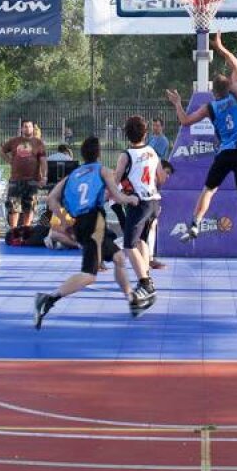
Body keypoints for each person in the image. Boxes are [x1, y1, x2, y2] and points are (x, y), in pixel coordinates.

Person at [166, 32, 237, 253]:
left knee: (208, 190)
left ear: (212, 92)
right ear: (229, 86)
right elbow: (236, 65)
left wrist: (178, 103)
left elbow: (185, 121)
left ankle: (195, 224)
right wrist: (219, 47)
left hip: (224, 154)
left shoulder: (210, 107)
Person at [33, 137, 143, 329]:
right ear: (98, 153)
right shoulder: (102, 171)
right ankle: (48, 298)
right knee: (89, 275)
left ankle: (132, 299)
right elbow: (117, 196)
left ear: (82, 154)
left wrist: (66, 220)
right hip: (95, 223)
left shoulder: (72, 175)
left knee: (118, 258)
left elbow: (51, 199)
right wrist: (132, 199)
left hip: (81, 224)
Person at [113, 116, 168, 303]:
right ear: (146, 133)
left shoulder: (126, 155)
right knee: (142, 241)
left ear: (126, 134)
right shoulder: (152, 151)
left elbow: (115, 181)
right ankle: (146, 278)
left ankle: (145, 283)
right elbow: (162, 177)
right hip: (154, 201)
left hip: (139, 203)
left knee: (128, 245)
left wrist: (116, 192)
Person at [1, 119, 47, 229]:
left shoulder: (38, 143)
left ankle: (26, 230)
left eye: (29, 126)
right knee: (13, 206)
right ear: (21, 128)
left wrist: (44, 176)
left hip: (32, 179)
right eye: (25, 126)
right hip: (15, 179)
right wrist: (10, 161)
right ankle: (14, 231)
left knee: (30, 206)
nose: (27, 128)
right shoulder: (14, 141)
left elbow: (43, 161)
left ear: (33, 128)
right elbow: (2, 151)